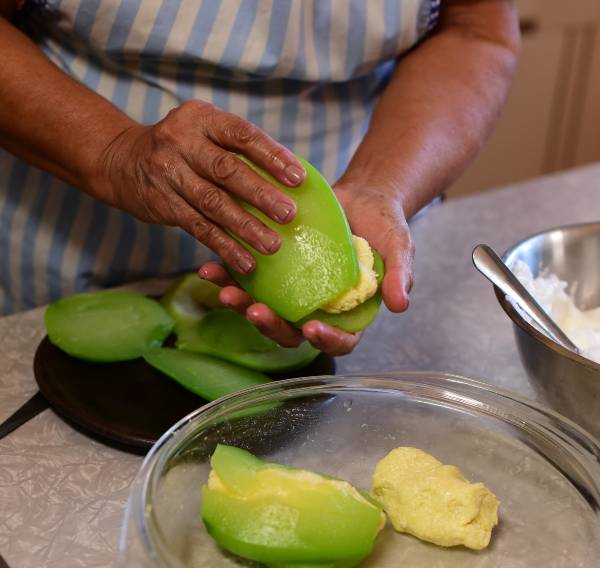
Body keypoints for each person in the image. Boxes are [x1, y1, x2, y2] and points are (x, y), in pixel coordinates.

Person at [0, 0, 519, 355]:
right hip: (69, 221)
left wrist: (381, 185)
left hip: (370, 183)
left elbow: (476, 30)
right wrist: (115, 151)